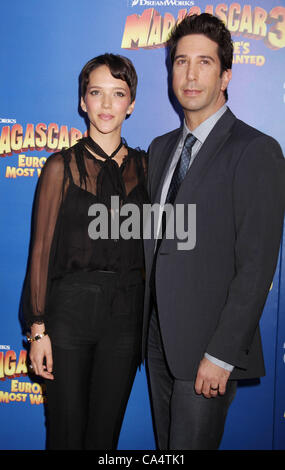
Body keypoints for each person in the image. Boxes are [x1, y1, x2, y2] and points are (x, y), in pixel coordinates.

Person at [142, 13, 285, 450]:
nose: (189, 74)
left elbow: (257, 267)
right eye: (180, 61)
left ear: (225, 75)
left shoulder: (256, 150)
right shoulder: (161, 148)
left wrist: (221, 354)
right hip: (156, 341)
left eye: (204, 62)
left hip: (209, 349)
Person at [22, 53, 148, 450]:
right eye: (97, 93)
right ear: (83, 101)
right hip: (69, 316)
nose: (107, 105)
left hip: (126, 319)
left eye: (118, 93)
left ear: (132, 103)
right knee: (65, 434)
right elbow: (40, 251)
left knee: (104, 440)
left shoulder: (148, 168)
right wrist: (38, 330)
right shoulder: (59, 166)